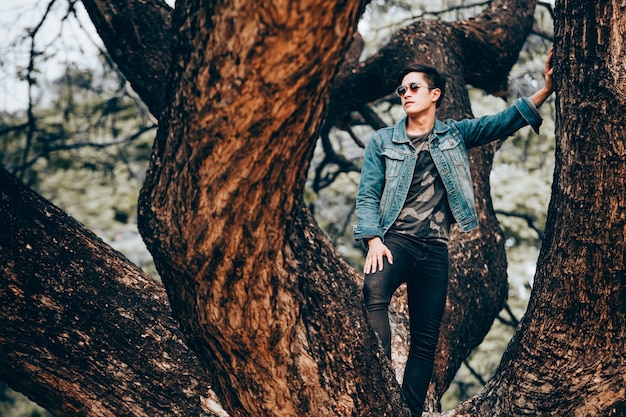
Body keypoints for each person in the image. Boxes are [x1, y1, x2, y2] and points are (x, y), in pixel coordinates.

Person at [353, 50, 554, 416]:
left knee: (426, 340)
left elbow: (503, 121)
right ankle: (380, 385)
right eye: (401, 90)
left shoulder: (454, 135)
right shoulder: (382, 141)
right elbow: (367, 195)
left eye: (413, 87)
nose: (405, 94)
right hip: (395, 240)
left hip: (434, 250)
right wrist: (373, 239)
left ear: (435, 94)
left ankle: (409, 412)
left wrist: (546, 90)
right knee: (373, 292)